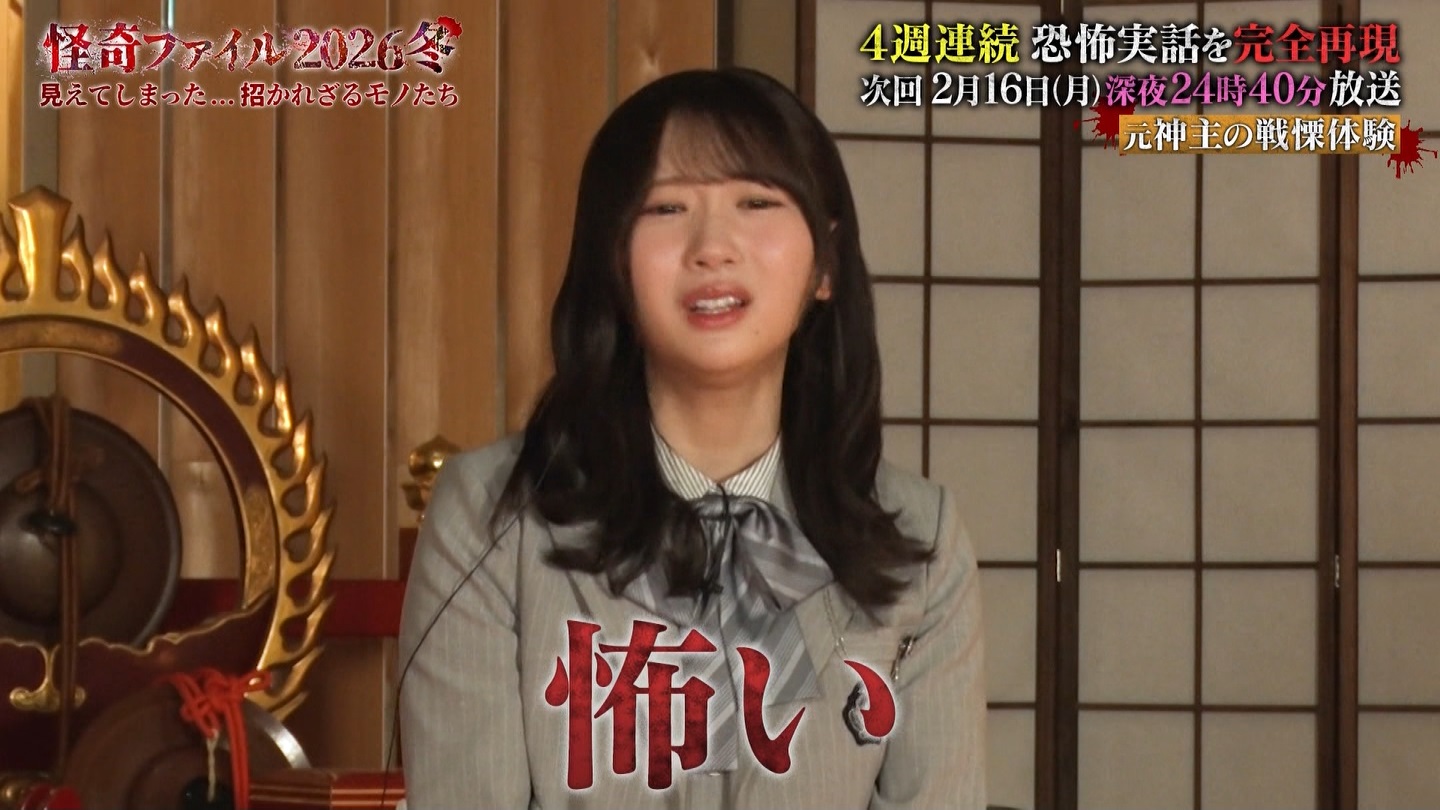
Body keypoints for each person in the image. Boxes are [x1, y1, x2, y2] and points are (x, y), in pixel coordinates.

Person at [397, 67, 985, 809]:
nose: (713, 247)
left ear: (825, 265)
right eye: (667, 207)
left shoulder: (921, 544)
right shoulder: (490, 520)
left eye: (756, 202)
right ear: (613, 262)